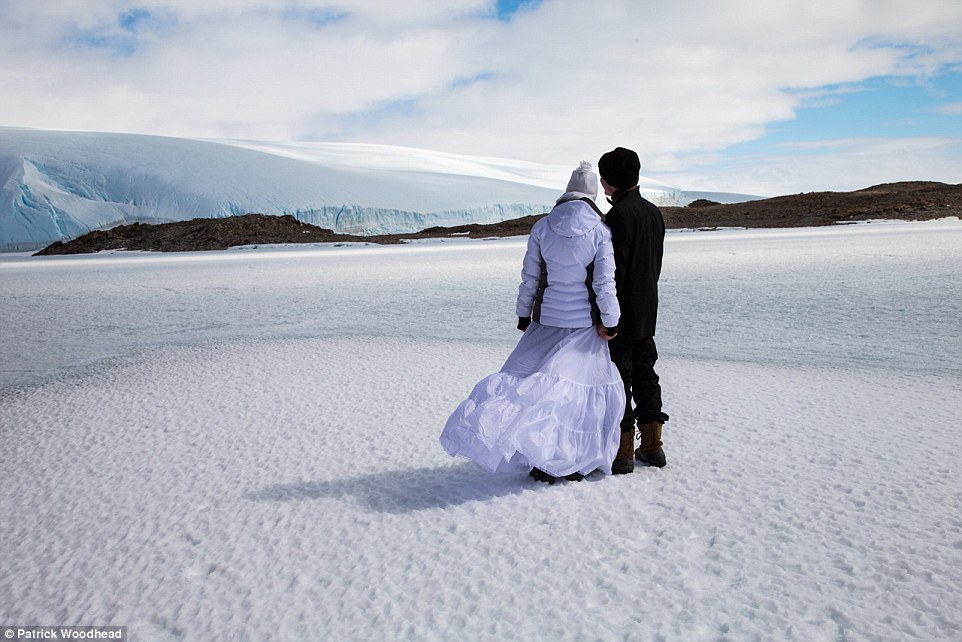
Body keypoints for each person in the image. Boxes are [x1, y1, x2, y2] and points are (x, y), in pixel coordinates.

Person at [440, 161, 626, 483]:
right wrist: (611, 321)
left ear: (567, 191)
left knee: (536, 388)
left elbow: (530, 278)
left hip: (547, 320)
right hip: (583, 325)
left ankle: (543, 460)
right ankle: (569, 462)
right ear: (593, 194)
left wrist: (523, 314)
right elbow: (603, 284)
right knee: (573, 397)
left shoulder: (542, 227)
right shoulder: (600, 231)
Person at [597, 147, 670, 473]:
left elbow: (614, 272)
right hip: (647, 309)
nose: (602, 183)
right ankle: (653, 447)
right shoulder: (653, 213)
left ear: (611, 180)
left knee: (620, 380)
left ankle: (623, 452)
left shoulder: (617, 216)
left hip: (621, 315)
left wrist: (606, 317)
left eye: (603, 177)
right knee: (646, 376)